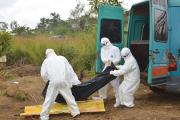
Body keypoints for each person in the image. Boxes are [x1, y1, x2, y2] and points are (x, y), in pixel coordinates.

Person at [40, 49, 81, 120]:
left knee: (49, 99)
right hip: (63, 81)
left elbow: (43, 74)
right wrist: (73, 81)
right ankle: (75, 112)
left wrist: (48, 80)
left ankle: (44, 116)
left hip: (54, 82)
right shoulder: (62, 58)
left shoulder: (46, 61)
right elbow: (69, 70)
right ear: (54, 52)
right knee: (69, 97)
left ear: (47, 54)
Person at [94, 37, 121, 107]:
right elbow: (103, 59)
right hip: (106, 68)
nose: (102, 45)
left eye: (103, 44)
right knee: (101, 82)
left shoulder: (115, 49)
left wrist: (111, 62)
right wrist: (108, 61)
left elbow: (118, 59)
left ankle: (119, 100)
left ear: (107, 43)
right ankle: (102, 97)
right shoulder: (102, 49)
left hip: (114, 68)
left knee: (116, 85)